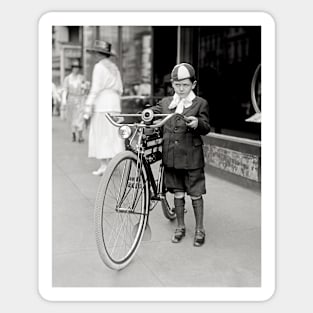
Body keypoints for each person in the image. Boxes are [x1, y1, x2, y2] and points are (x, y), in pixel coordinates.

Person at [152, 63, 210, 247]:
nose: (181, 89)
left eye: (185, 85)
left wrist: (197, 124)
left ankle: (200, 228)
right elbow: (153, 112)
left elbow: (206, 127)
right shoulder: (166, 103)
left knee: (195, 193)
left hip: (192, 158)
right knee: (177, 193)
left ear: (193, 84)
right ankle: (180, 226)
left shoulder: (200, 103)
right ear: (172, 84)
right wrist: (144, 114)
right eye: (177, 85)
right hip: (172, 158)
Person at [83, 40, 124, 176]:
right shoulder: (115, 68)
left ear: (99, 54)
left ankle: (104, 165)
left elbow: (95, 88)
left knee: (101, 134)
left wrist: (88, 105)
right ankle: (113, 163)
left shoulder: (99, 67)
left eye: (95, 53)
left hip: (102, 105)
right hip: (114, 104)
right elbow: (120, 89)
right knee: (113, 135)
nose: (94, 55)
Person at [61, 59, 87, 143]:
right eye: (74, 67)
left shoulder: (81, 78)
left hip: (80, 99)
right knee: (72, 117)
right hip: (71, 99)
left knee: (80, 117)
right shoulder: (68, 79)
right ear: (72, 68)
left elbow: (84, 88)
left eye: (77, 67)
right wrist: (64, 100)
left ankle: (80, 136)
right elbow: (65, 90)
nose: (76, 69)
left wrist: (84, 88)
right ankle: (73, 134)